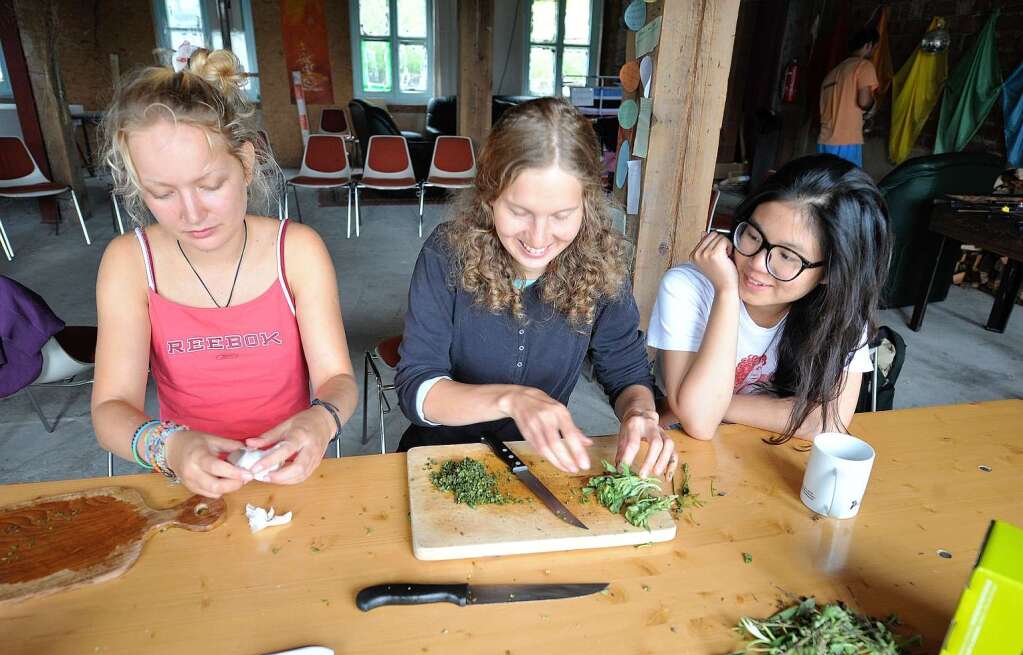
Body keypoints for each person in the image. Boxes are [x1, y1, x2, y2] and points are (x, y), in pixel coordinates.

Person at [92, 49, 357, 498]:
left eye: (210, 185)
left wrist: (318, 421)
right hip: (187, 479)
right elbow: (110, 410)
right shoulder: (130, 263)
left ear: (247, 164)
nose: (192, 213)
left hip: (289, 471)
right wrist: (171, 448)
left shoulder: (295, 251)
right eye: (162, 193)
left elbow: (338, 380)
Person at [394, 97, 674, 478]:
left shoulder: (602, 261)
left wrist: (641, 413)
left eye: (561, 215)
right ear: (489, 196)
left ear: (586, 203)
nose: (539, 239)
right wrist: (512, 400)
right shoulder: (447, 252)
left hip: (540, 462)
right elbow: (417, 388)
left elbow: (626, 372)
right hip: (441, 458)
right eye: (519, 212)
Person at [648, 154, 891, 443]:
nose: (757, 264)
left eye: (787, 256)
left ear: (829, 272)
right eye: (752, 235)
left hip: (768, 451)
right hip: (688, 449)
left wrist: (710, 406)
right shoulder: (688, 287)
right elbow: (699, 423)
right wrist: (726, 293)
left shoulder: (842, 309)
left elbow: (827, 422)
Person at [817, 27, 880, 167]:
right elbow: (864, 102)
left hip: (824, 141)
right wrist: (872, 105)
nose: (873, 52)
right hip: (846, 140)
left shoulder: (832, 73)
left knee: (825, 185)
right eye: (874, 48)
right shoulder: (864, 66)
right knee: (846, 186)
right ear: (868, 45)